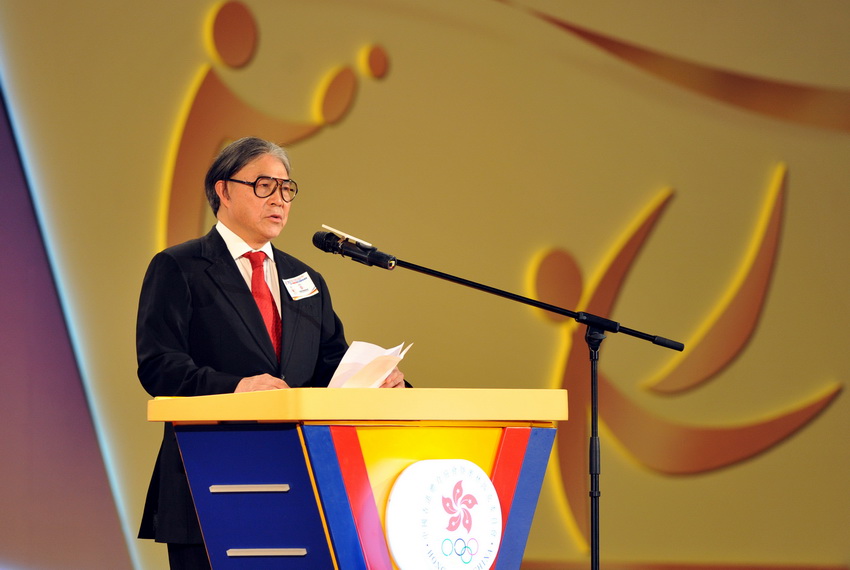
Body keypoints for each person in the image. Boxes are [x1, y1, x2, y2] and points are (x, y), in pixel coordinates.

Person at [136, 136, 405, 569]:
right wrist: (236, 387)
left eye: (286, 189)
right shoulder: (180, 267)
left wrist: (380, 380)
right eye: (264, 185)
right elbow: (159, 365)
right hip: (211, 480)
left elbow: (329, 365)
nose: (279, 199)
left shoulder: (306, 278)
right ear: (222, 190)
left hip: (298, 482)